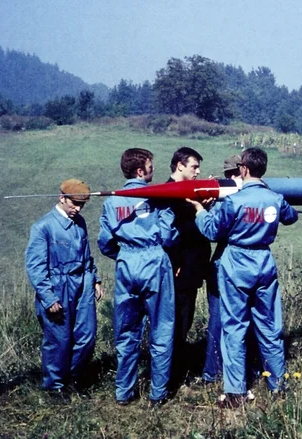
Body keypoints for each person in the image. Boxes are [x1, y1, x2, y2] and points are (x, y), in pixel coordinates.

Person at [188, 147, 298, 407]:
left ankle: (235, 391)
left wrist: (199, 211)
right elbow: (291, 217)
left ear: (244, 169)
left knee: (235, 327)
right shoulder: (275, 198)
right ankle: (277, 385)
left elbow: (213, 231)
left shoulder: (234, 201)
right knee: (270, 327)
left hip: (236, 264)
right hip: (264, 262)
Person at [98, 148, 178, 406]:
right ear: (140, 170)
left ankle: (123, 392)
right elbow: (168, 237)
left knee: (126, 331)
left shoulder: (112, 202)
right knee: (161, 328)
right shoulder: (156, 199)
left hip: (126, 265)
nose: (154, 170)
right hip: (154, 261)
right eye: (151, 166)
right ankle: (157, 393)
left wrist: (124, 256)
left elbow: (105, 242)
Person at [25, 179, 103, 398]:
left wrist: (95, 278)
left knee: (86, 336)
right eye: (74, 204)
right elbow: (36, 267)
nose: (77, 209)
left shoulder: (80, 223)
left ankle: (74, 378)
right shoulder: (43, 227)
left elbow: (86, 254)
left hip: (83, 283)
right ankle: (55, 386)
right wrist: (48, 298)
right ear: (62, 198)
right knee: (59, 339)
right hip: (57, 286)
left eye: (81, 205)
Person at [165, 147, 211, 388]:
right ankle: (173, 376)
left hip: (191, 269)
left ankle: (175, 371)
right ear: (180, 165)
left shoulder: (189, 193)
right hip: (179, 270)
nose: (198, 171)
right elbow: (170, 232)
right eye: (194, 166)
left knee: (185, 320)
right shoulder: (169, 194)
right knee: (177, 322)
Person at [201, 154, 242, 384]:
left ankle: (215, 371)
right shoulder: (226, 199)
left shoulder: (224, 199)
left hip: (225, 261)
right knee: (219, 319)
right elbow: (214, 231)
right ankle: (213, 371)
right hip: (227, 262)